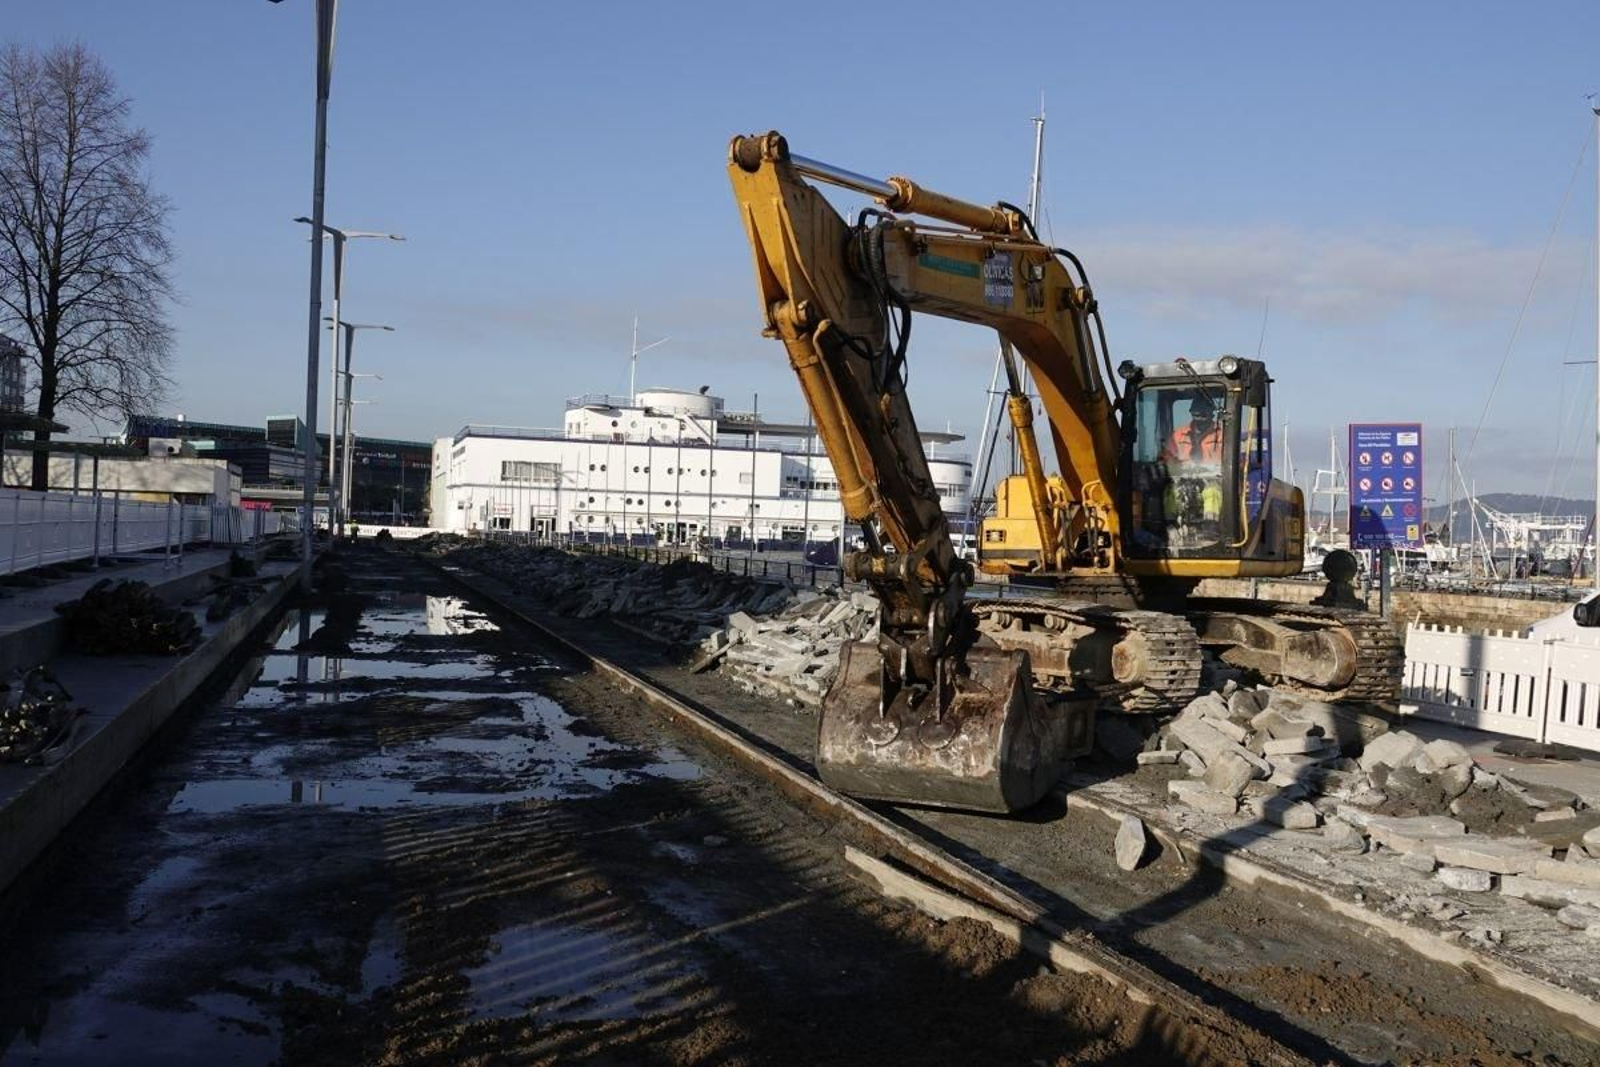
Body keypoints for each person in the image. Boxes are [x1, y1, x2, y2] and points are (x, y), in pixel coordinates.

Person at [1164, 396, 1223, 463]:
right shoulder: (1177, 435)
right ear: (1191, 413)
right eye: (1196, 415)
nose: (1200, 418)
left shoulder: (1224, 435)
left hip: (1217, 473)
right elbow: (1167, 459)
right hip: (1184, 473)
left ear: (1212, 414)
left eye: (1204, 415)